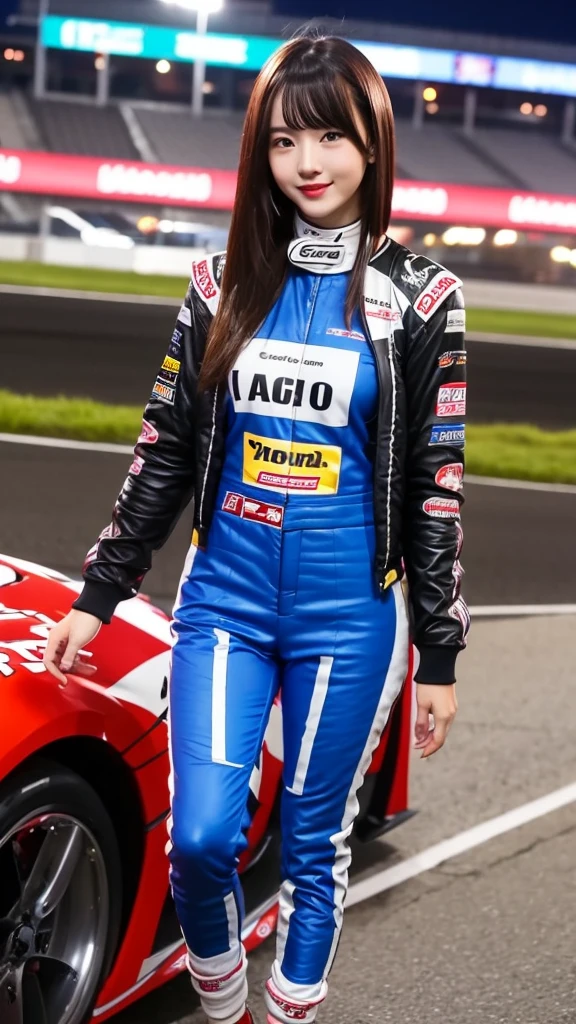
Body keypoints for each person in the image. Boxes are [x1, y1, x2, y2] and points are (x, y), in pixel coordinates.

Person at [44, 33, 468, 1024]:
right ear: (259, 156)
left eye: (331, 136)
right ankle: (226, 1002)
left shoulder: (424, 298)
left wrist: (440, 653)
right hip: (223, 599)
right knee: (199, 840)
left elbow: (437, 487)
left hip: (349, 618)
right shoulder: (215, 285)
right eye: (284, 142)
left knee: (315, 844)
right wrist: (100, 592)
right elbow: (162, 456)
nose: (308, 163)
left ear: (373, 144)